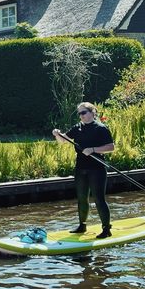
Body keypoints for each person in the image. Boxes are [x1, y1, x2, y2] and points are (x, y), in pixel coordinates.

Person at [52, 102, 115, 239]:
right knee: (82, 199)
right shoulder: (77, 127)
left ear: (92, 113)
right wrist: (57, 134)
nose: (81, 116)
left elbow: (111, 147)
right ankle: (82, 225)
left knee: (99, 199)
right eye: (79, 113)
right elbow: (63, 140)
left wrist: (92, 150)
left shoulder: (101, 128)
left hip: (97, 168)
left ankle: (106, 229)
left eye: (84, 112)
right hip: (81, 168)